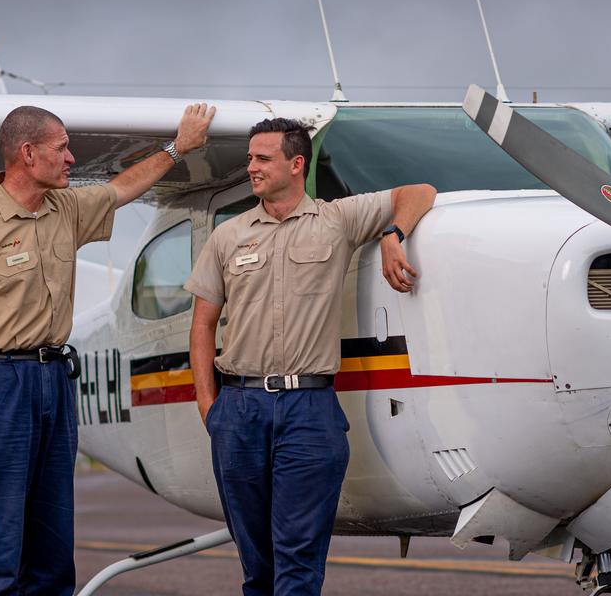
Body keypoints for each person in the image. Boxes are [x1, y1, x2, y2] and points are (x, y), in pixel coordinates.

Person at [0, 102, 216, 595]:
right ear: (28, 152)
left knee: (53, 544)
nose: (72, 158)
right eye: (62, 148)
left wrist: (178, 147)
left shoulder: (66, 209)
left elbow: (124, 188)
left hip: (54, 380)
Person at [185, 117, 435, 596]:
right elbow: (202, 325)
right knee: (257, 564)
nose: (250, 168)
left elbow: (418, 191)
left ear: (296, 164)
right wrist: (208, 407)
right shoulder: (228, 236)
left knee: (298, 558)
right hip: (238, 410)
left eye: (262, 158)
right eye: (250, 158)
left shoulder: (336, 220)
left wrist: (392, 234)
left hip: (309, 410)